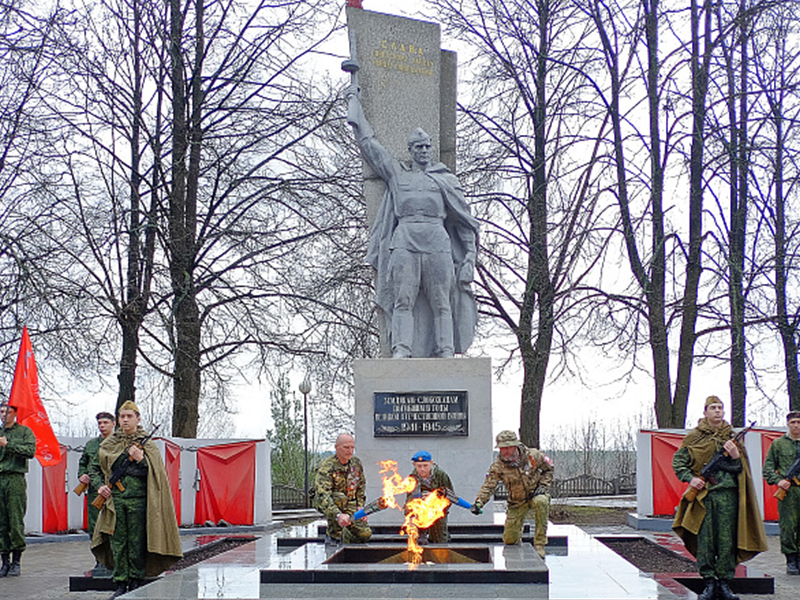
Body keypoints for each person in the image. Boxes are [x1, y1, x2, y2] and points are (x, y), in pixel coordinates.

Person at [347, 84, 479, 359]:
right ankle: (402, 349)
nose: (423, 150)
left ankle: (444, 351)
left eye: (427, 146)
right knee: (403, 300)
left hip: (436, 241)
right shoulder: (398, 175)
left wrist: (469, 258)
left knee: (442, 301)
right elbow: (370, 147)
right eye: (418, 147)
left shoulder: (446, 180)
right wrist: (354, 106)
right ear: (410, 150)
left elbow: (464, 222)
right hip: (405, 240)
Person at [672, 396, 767, 600]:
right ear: (705, 412)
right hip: (704, 498)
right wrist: (691, 479)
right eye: (713, 408)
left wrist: (734, 456)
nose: (718, 411)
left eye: (720, 408)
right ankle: (708, 583)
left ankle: (724, 583)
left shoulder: (732, 437)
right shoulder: (694, 437)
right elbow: (678, 462)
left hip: (728, 498)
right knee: (705, 541)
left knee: (727, 542)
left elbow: (741, 469)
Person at [90, 401, 182, 598]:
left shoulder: (147, 444)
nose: (125, 420)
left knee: (137, 543)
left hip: (139, 501)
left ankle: (136, 581)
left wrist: (141, 459)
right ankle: (121, 583)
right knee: (118, 543)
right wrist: (100, 485)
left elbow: (157, 473)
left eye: (129, 416)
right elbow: (95, 469)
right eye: (122, 416)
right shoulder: (108, 443)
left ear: (138, 419)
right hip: (115, 502)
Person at [471, 430, 553, 558]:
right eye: (502, 448)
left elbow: (549, 469)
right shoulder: (498, 466)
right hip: (517, 501)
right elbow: (489, 486)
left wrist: (543, 485)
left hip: (536, 493)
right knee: (509, 540)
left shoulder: (533, 455)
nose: (505, 451)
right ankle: (517, 536)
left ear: (516, 445)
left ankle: (540, 544)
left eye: (508, 447)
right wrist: (479, 502)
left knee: (541, 501)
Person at [313, 433, 372, 544]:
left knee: (365, 534)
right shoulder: (327, 467)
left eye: (352, 447)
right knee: (339, 497)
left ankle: (346, 534)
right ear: (337, 447)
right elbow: (322, 495)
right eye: (346, 447)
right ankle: (334, 532)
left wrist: (360, 506)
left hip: (350, 503)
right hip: (329, 503)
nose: (349, 451)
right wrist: (338, 515)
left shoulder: (356, 463)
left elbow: (360, 486)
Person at [0, 402, 35, 577]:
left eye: (7, 411)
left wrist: (8, 445)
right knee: (1, 522)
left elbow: (30, 451)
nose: (4, 414)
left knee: (15, 520)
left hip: (15, 478)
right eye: (1, 411)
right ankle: (4, 561)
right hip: (0, 478)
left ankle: (16, 561)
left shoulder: (24, 432)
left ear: (15, 414)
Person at [763, 410, 800, 575]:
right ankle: (791, 560)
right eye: (793, 422)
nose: (796, 426)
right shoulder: (778, 444)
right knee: (788, 526)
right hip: (789, 492)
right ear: (788, 424)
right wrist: (779, 481)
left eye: (799, 422)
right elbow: (768, 467)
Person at [78, 411, 115, 570]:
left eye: (105, 423)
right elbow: (83, 464)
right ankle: (100, 560)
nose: (102, 426)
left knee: (113, 526)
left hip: (114, 491)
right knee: (94, 527)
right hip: (95, 491)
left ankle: (113, 559)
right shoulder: (91, 445)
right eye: (100, 423)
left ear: (113, 424)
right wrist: (82, 476)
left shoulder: (118, 443)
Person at [404, 450, 454, 544]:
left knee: (440, 541)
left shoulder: (441, 475)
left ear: (431, 463)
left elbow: (450, 496)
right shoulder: (412, 478)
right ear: (414, 465)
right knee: (417, 542)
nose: (422, 469)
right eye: (419, 466)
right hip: (419, 512)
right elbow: (409, 500)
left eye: (425, 465)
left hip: (438, 511)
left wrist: (434, 498)